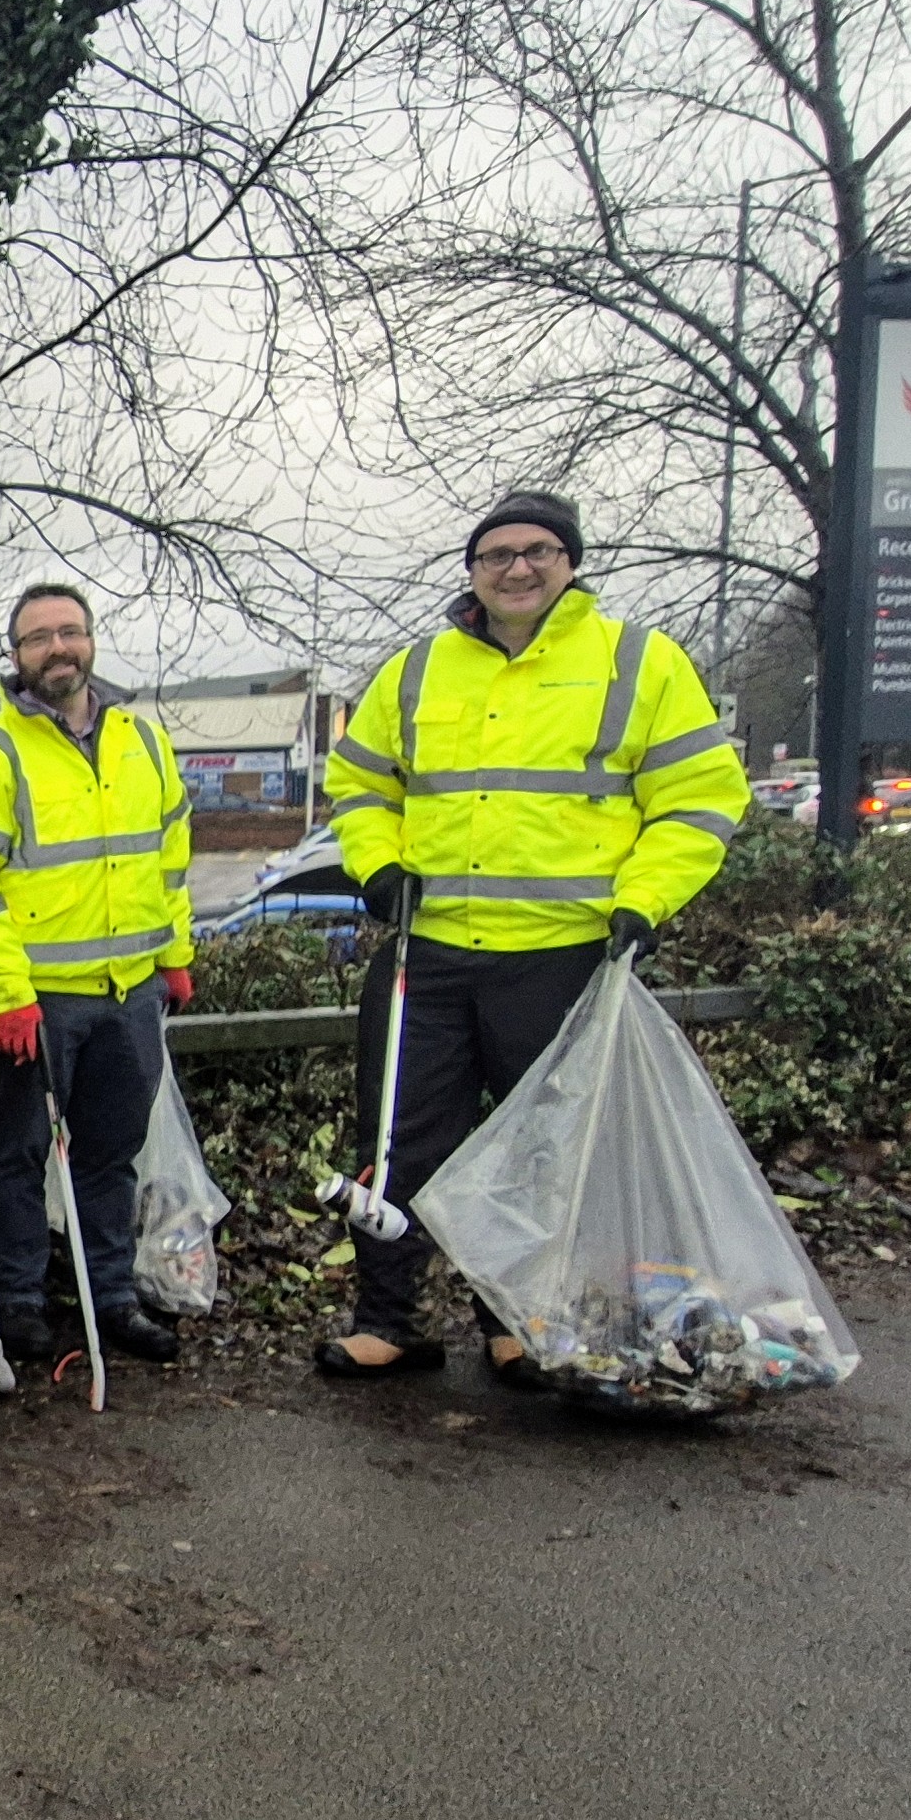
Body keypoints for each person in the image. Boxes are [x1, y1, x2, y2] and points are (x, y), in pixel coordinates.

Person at [316, 491, 750, 1381]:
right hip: (426, 951)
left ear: (571, 562)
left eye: (537, 551)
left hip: (560, 958)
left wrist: (645, 900)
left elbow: (702, 797)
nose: (516, 568)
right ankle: (386, 1319)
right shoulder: (414, 669)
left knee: (540, 1154)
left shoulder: (640, 662)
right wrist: (376, 864)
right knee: (396, 1140)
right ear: (472, 570)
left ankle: (514, 1319)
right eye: (495, 554)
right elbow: (357, 782)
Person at [0, 581, 196, 1368]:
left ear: (90, 640)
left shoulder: (141, 742)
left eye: (70, 632)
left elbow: (171, 858)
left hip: (128, 993)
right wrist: (6, 993)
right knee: (17, 1155)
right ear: (14, 656)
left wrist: (174, 955)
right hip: (39, 1001)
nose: (58, 648)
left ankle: (108, 1294)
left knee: (110, 1152)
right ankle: (18, 1303)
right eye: (39, 637)